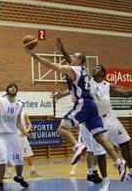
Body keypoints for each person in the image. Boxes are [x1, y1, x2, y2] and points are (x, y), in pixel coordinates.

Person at [24, 40, 127, 182]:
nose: (71, 58)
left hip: (83, 104)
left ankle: (77, 146)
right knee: (99, 138)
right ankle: (119, 161)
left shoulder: (76, 69)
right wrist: (63, 94)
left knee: (61, 129)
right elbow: (74, 79)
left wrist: (34, 55)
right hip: (92, 106)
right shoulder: (84, 71)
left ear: (79, 61)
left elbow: (53, 66)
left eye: (73, 57)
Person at [56, 38, 132, 185]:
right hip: (96, 118)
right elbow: (73, 68)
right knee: (100, 153)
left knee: (125, 144)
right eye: (94, 67)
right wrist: (62, 94)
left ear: (103, 73)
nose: (95, 68)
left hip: (111, 118)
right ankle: (106, 183)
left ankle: (131, 170)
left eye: (98, 68)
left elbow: (126, 93)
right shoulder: (88, 81)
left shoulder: (107, 85)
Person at [5, 112, 41, 178]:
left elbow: (30, 125)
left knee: (28, 155)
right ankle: (9, 173)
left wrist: (26, 131)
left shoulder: (24, 114)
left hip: (22, 138)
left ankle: (32, 171)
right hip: (13, 138)